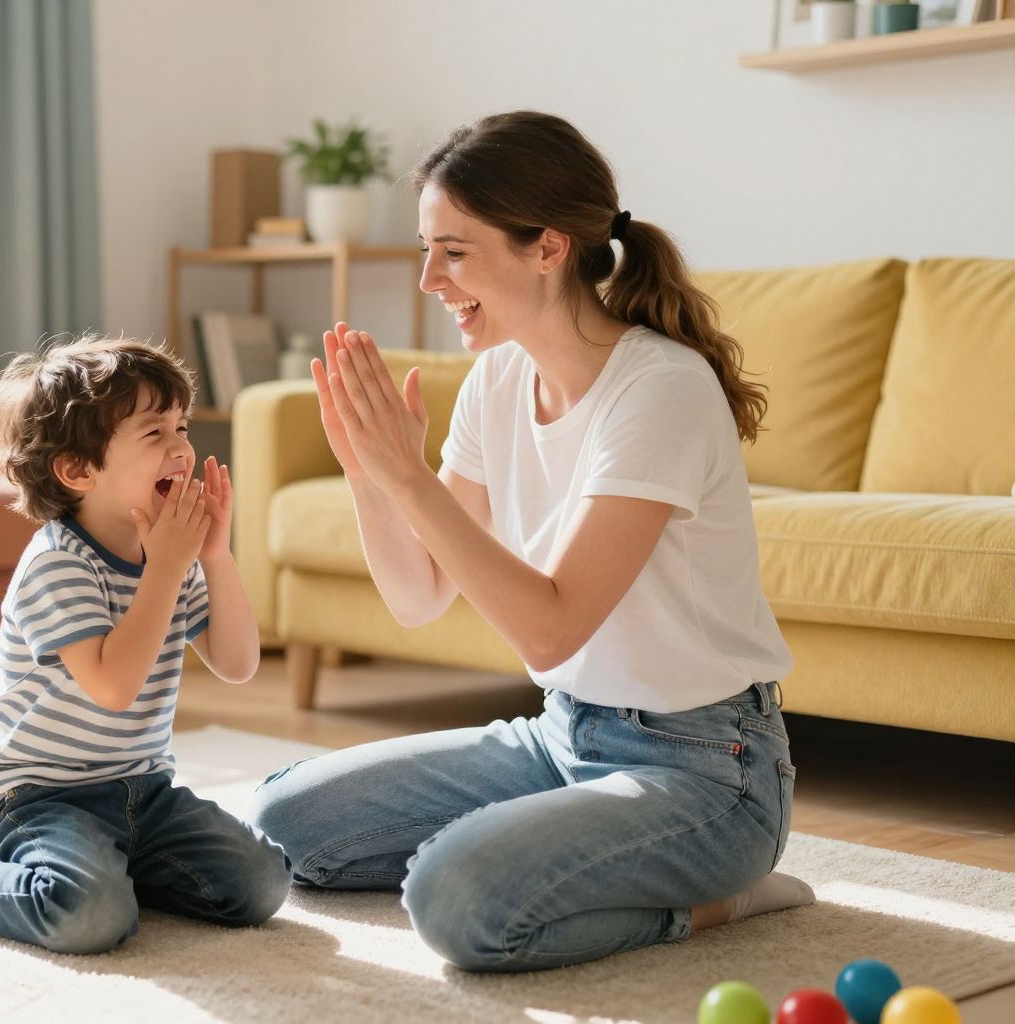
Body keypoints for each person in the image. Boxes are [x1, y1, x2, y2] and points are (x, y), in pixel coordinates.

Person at [249, 111, 814, 973]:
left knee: (455, 899)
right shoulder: (498, 380)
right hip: (559, 736)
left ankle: (722, 898)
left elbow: (551, 629)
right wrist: (370, 472)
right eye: (426, 248)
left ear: (547, 247)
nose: (430, 278)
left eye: (456, 251)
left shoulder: (660, 389)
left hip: (708, 771)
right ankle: (558, 847)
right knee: (280, 828)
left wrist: (409, 478)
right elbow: (417, 597)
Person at [0, 336, 288, 954]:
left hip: (143, 789)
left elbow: (237, 663)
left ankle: (112, 869)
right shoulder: (56, 564)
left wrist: (214, 557)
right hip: (38, 795)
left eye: (181, 426)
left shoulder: (172, 555)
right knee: (87, 917)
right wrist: (169, 571)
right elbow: (114, 688)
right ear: (78, 470)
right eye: (153, 434)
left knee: (262, 885)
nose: (180, 448)